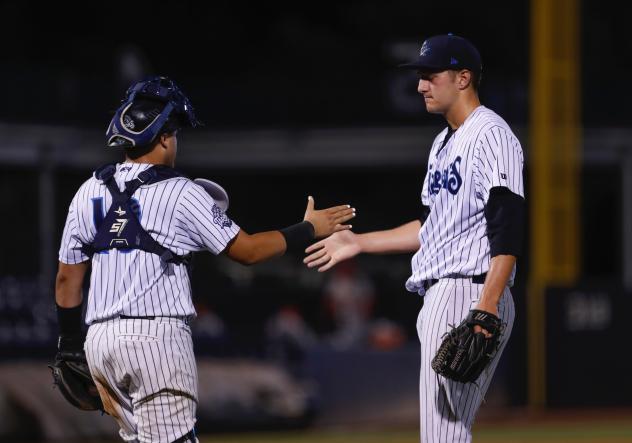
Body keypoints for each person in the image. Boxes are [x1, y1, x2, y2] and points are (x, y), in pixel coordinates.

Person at [54, 76, 355, 443]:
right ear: (164, 137)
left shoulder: (88, 191)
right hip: (155, 339)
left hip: (99, 342)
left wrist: (69, 342)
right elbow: (248, 251)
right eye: (176, 132)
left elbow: (67, 281)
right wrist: (307, 229)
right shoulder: (181, 191)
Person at [304, 34, 524, 442]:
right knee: (448, 435)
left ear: (463, 78)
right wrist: (359, 242)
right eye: (420, 76)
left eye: (430, 75)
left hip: (469, 293)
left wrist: (487, 307)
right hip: (448, 293)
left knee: (442, 437)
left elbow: (507, 222)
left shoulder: (490, 133)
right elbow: (429, 228)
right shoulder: (443, 144)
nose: (421, 85)